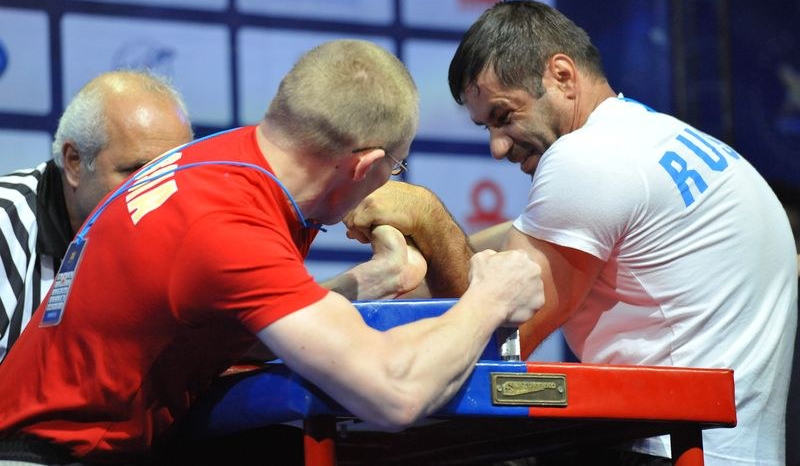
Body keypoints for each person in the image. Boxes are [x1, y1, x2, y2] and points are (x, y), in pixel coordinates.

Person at [0, 39, 545, 464]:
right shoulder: (228, 227)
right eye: (393, 169)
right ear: (365, 167)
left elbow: (217, 319)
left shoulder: (225, 162)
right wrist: (491, 297)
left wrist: (366, 283)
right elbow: (393, 393)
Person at [345, 0, 798, 465]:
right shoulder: (668, 144)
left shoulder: (585, 158)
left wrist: (426, 214)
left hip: (663, 450)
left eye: (503, 117)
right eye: (486, 128)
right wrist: (426, 253)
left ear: (561, 76)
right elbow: (525, 237)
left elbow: (493, 340)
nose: (497, 148)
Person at [0, 70, 194, 364]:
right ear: (75, 163)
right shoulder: (5, 223)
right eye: (137, 171)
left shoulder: (193, 232)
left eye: (172, 172)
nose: (161, 192)